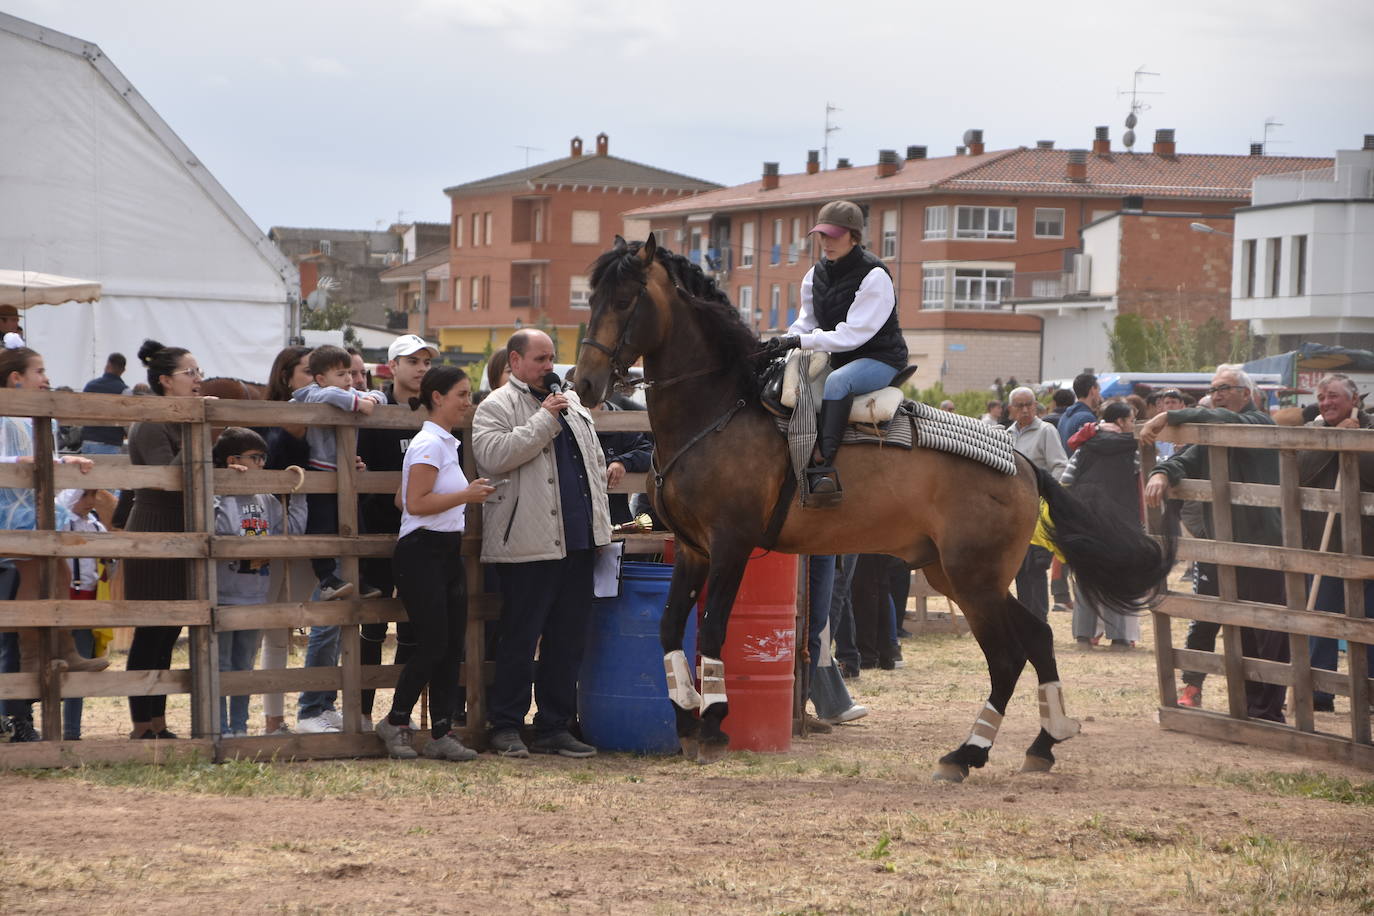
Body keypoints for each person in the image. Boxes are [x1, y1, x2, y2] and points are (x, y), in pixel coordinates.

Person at [472, 328, 611, 758]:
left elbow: (592, 461)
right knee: (519, 638)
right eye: (539, 359)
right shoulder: (496, 405)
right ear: (514, 362)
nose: (549, 367)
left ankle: (555, 726)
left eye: (552, 358)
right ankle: (506, 726)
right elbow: (494, 456)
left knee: (568, 640)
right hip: (527, 545)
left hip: (579, 543)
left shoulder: (574, 406)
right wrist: (544, 419)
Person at [1142, 365, 1288, 721]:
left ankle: (1269, 708)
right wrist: (1162, 472)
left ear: (1247, 393)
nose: (1218, 393)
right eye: (1214, 387)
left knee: (1269, 627)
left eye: (1226, 387)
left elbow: (1220, 417)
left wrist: (1168, 414)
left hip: (1262, 545)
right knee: (1239, 628)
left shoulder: (1258, 423)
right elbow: (1187, 457)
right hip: (1224, 546)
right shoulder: (1215, 431)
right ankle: (1251, 707)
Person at [376, 367, 495, 760]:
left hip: (443, 550)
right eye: (461, 394)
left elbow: (402, 498)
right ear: (438, 397)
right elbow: (415, 503)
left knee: (450, 644)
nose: (468, 402)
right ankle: (394, 722)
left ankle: (441, 731)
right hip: (422, 552)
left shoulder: (440, 443)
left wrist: (455, 496)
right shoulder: (430, 443)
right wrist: (466, 495)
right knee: (432, 644)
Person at [763, 199, 907, 506]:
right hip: (838, 356)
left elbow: (853, 336)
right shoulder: (813, 274)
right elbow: (806, 323)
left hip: (880, 358)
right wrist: (780, 343)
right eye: (822, 235)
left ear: (853, 236)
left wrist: (802, 343)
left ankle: (823, 464)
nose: (825, 242)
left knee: (838, 383)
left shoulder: (875, 276)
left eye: (833, 235)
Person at [0, 342, 101, 743]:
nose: (46, 378)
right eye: (39, 371)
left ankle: (64, 648)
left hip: (37, 506)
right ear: (16, 378)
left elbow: (44, 459)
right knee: (32, 570)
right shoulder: (6, 418)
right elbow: (10, 461)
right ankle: (34, 653)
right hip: (12, 508)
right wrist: (45, 464)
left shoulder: (40, 419)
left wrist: (63, 462)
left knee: (58, 571)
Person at [355, 334, 437, 730]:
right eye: (413, 361)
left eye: (426, 361)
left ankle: (398, 713)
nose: (421, 368)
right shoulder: (374, 408)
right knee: (371, 623)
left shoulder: (433, 409)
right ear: (393, 367)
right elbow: (359, 467)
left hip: (420, 532)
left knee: (412, 623)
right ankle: (362, 710)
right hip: (379, 530)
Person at [124, 338, 203, 739]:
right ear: (164, 382)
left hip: (183, 530)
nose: (197, 379)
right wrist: (198, 433)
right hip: (154, 528)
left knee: (170, 633)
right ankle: (142, 723)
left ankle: (158, 721)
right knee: (149, 632)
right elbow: (168, 480)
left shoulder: (183, 418)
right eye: (189, 373)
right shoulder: (152, 421)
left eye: (198, 371)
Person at [212, 428, 306, 737]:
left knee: (244, 666)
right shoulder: (215, 494)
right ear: (233, 460)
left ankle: (239, 726)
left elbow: (289, 530)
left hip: (255, 595)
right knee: (222, 664)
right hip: (224, 594)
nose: (263, 464)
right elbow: (222, 528)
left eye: (264, 458)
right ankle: (220, 727)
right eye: (256, 458)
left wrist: (301, 492)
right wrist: (228, 489)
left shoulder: (266, 497)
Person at [1298, 373, 1372, 712]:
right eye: (1322, 397)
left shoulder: (1370, 430)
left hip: (1368, 546)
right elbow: (1299, 472)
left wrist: (1356, 444)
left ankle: (1370, 693)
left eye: (1334, 397)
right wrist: (1332, 441)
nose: (1326, 403)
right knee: (1322, 619)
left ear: (1353, 400)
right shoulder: (1313, 432)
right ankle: (1319, 692)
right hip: (1323, 545)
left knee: (1368, 623)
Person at [291, 344, 387, 602]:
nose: (348, 379)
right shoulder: (313, 393)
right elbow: (323, 396)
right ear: (320, 378)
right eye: (341, 374)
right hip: (320, 471)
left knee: (357, 524)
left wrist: (369, 400)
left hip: (346, 471)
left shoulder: (350, 393)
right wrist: (358, 402)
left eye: (350, 373)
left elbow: (381, 397)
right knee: (321, 526)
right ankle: (326, 578)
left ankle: (360, 577)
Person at [260, 344, 312, 736]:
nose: (316, 379)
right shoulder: (265, 420)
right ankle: (273, 719)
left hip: (317, 530)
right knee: (275, 628)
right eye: (308, 372)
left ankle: (317, 710)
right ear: (287, 377)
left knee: (325, 622)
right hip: (275, 528)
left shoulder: (328, 418)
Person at [1061, 401, 1142, 649]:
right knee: (1118, 576)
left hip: (1086, 518)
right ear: (1119, 422)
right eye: (1130, 419)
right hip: (1120, 520)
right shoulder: (1133, 448)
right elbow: (1144, 479)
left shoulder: (1085, 447)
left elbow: (1065, 480)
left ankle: (1084, 636)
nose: (1133, 424)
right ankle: (1119, 637)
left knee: (1086, 576)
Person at [1006, 386, 1068, 622]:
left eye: (1029, 404)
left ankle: (1039, 620)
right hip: (1013, 513)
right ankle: (1025, 620)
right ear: (1011, 409)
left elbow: (1060, 466)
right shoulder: (1007, 434)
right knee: (1019, 567)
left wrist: (1048, 499)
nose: (1025, 410)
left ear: (1036, 406)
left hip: (1038, 510)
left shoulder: (1046, 430)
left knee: (1036, 567)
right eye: (1019, 406)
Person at [59, 488, 113, 740]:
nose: (91, 502)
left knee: (79, 665)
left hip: (89, 602)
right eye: (85, 496)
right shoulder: (59, 522)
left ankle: (72, 731)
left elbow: (107, 565)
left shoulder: (96, 527)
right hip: (60, 601)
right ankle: (23, 725)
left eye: (93, 496)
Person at [80, 353, 131, 454]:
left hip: (87, 441)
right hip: (110, 443)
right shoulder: (124, 391)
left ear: (107, 365)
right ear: (123, 370)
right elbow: (127, 422)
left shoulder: (90, 386)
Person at [1058, 373, 1101, 453]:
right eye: (1099, 390)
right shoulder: (1087, 418)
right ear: (1092, 390)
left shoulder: (1065, 416)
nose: (1100, 395)